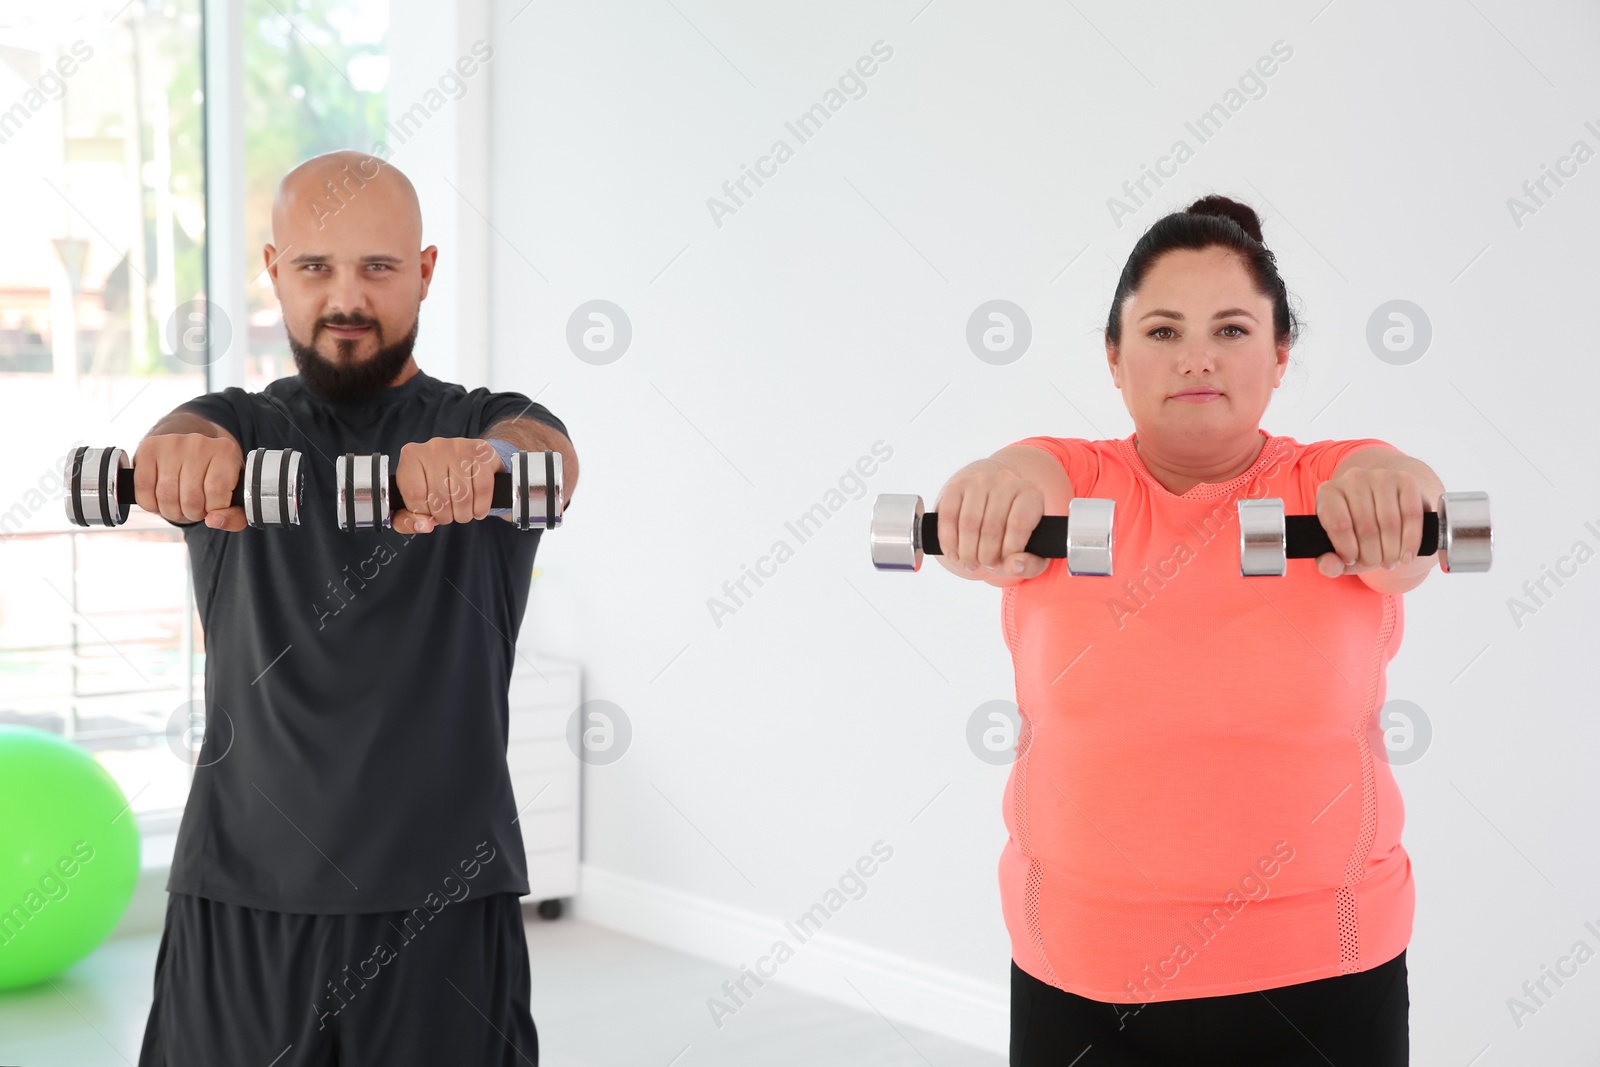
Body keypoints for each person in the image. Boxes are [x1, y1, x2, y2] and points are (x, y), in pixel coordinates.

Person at [935, 196, 1422, 1066]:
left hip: (1325, 969)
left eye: (1231, 329)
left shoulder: (1330, 480)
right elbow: (1020, 473)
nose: (1197, 354)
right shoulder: (1074, 478)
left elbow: (1403, 495)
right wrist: (989, 487)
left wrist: (1390, 488)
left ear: (1279, 357)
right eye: (1162, 331)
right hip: (1081, 976)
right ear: (1115, 360)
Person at [133, 151, 577, 1067]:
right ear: (274, 273)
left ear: (423, 272)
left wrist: (481, 465)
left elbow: (547, 455)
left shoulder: (488, 419)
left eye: (377, 267)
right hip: (240, 898)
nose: (346, 297)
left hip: (442, 908)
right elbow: (178, 438)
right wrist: (175, 458)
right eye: (314, 267)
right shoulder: (235, 426)